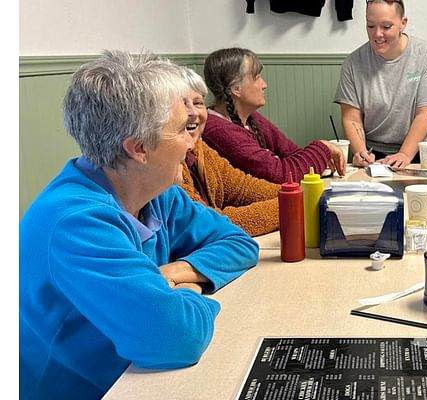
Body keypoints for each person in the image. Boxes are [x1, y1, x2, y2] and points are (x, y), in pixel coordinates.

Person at [19, 50, 260, 399]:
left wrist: (175, 274)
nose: (194, 144)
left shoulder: (155, 192)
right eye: (185, 129)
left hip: (133, 376)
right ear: (139, 148)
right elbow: (177, 338)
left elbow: (239, 243)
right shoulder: (75, 224)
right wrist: (190, 291)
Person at [202, 47, 346, 184]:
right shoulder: (218, 131)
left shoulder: (251, 118)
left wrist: (317, 159)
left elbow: (292, 153)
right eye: (257, 78)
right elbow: (281, 175)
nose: (264, 84)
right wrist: (323, 147)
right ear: (236, 89)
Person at [335, 0, 427, 168]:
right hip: (372, 151)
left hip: (417, 149)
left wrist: (404, 154)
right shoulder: (353, 63)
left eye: (386, 27)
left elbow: (426, 112)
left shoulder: (426, 54)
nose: (377, 34)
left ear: (403, 24)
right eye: (370, 26)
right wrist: (361, 152)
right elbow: (351, 117)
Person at [177, 67, 280, 237]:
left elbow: (242, 187)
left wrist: (295, 193)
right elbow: (206, 225)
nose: (193, 112)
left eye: (197, 103)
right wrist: (290, 203)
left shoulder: (200, 150)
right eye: (182, 104)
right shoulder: (166, 164)